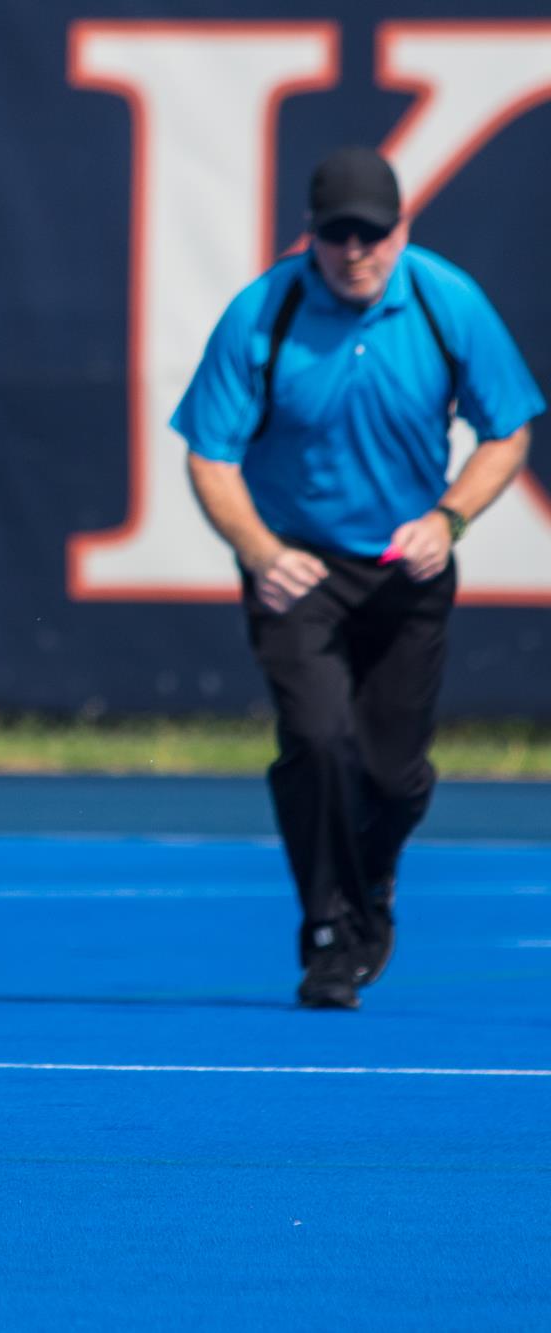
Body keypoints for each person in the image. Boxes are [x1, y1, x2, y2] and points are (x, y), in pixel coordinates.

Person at [174, 145, 542, 1010]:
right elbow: (210, 454)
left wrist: (448, 519)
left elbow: (508, 430)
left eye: (373, 234)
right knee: (318, 740)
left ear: (402, 229)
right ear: (311, 235)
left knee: (394, 774)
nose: (356, 252)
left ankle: (370, 883)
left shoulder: (448, 304)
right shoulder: (263, 314)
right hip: (295, 567)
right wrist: (261, 551)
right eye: (338, 234)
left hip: (406, 564)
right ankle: (331, 931)